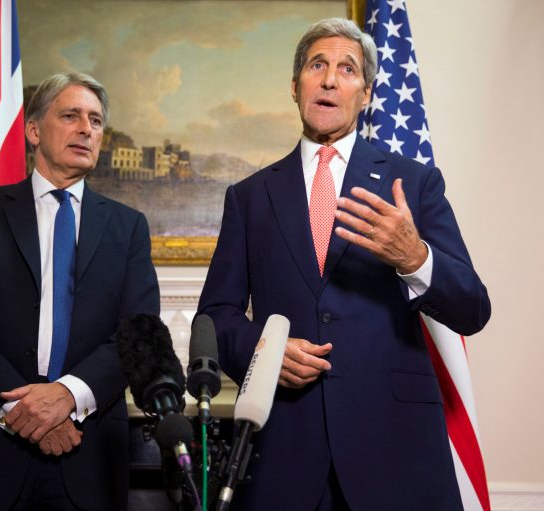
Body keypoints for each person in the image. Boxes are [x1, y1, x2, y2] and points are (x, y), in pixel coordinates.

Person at [197, 17, 490, 511]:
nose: (331, 79)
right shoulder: (248, 197)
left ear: (366, 93)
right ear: (296, 87)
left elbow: (472, 308)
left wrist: (415, 258)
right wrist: (265, 351)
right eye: (318, 65)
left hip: (397, 451)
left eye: (347, 69)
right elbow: (216, 318)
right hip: (286, 452)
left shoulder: (415, 184)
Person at [0, 72, 160, 511]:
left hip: (87, 456)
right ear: (33, 130)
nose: (86, 129)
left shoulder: (129, 227)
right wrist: (28, 414)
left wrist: (69, 395)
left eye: (95, 121)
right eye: (70, 115)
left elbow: (138, 335)